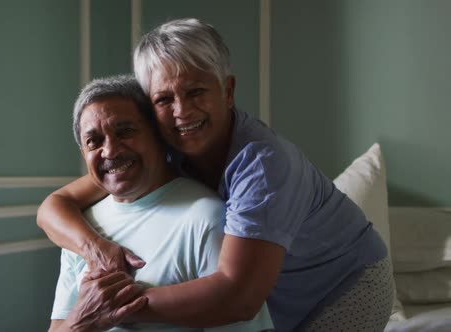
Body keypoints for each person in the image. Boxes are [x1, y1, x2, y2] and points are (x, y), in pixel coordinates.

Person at [38, 19, 394, 331]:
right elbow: (56, 205)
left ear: (227, 91)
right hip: (279, 287)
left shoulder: (263, 164)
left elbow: (238, 299)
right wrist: (96, 248)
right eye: (163, 99)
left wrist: (111, 308)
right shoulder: (159, 146)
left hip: (346, 284)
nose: (182, 111)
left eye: (195, 91)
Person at [47, 75, 273, 332]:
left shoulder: (206, 218)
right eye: (94, 141)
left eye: (125, 132)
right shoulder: (81, 227)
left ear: (158, 135)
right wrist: (82, 321)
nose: (110, 151)